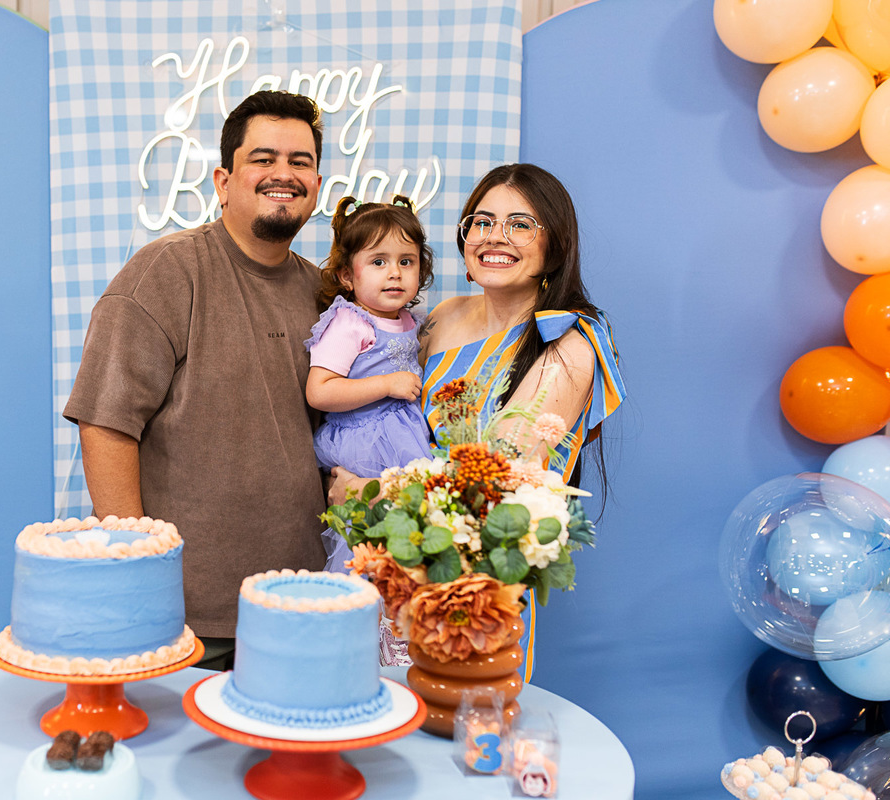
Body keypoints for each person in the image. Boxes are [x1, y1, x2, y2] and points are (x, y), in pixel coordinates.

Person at [63, 91, 327, 670]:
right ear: (223, 181)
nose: (283, 173)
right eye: (263, 158)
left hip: (302, 604)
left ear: (316, 184)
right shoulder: (166, 272)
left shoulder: (325, 294)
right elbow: (105, 424)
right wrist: (138, 570)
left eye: (300, 161)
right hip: (186, 616)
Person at [328, 163, 626, 677]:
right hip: (386, 565)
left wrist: (365, 492)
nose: (495, 237)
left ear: (555, 245)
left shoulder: (567, 345)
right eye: (482, 222)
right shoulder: (442, 317)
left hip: (473, 591)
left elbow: (492, 491)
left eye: (519, 224)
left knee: (450, 715)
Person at [304, 195, 436, 480]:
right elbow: (319, 392)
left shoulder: (408, 320)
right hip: (366, 441)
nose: (395, 273)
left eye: (406, 261)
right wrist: (386, 385)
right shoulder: (351, 323)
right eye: (378, 262)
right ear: (347, 276)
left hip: (405, 434)